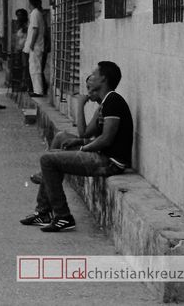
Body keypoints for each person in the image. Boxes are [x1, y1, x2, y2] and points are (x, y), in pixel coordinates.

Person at [20, 61, 133, 232]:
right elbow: (84, 133)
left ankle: (63, 216)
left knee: (48, 160)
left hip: (109, 162)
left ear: (103, 79)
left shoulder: (114, 102)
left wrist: (83, 148)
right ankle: (43, 212)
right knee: (60, 138)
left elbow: (106, 139)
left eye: (93, 75)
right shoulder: (104, 104)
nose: (89, 78)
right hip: (102, 155)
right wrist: (80, 105)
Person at [24, 0, 47, 97]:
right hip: (38, 45)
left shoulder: (34, 13)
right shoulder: (38, 13)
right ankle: (37, 89)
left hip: (36, 46)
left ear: (30, 3)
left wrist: (32, 44)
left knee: (35, 69)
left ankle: (38, 90)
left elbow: (35, 30)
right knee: (35, 68)